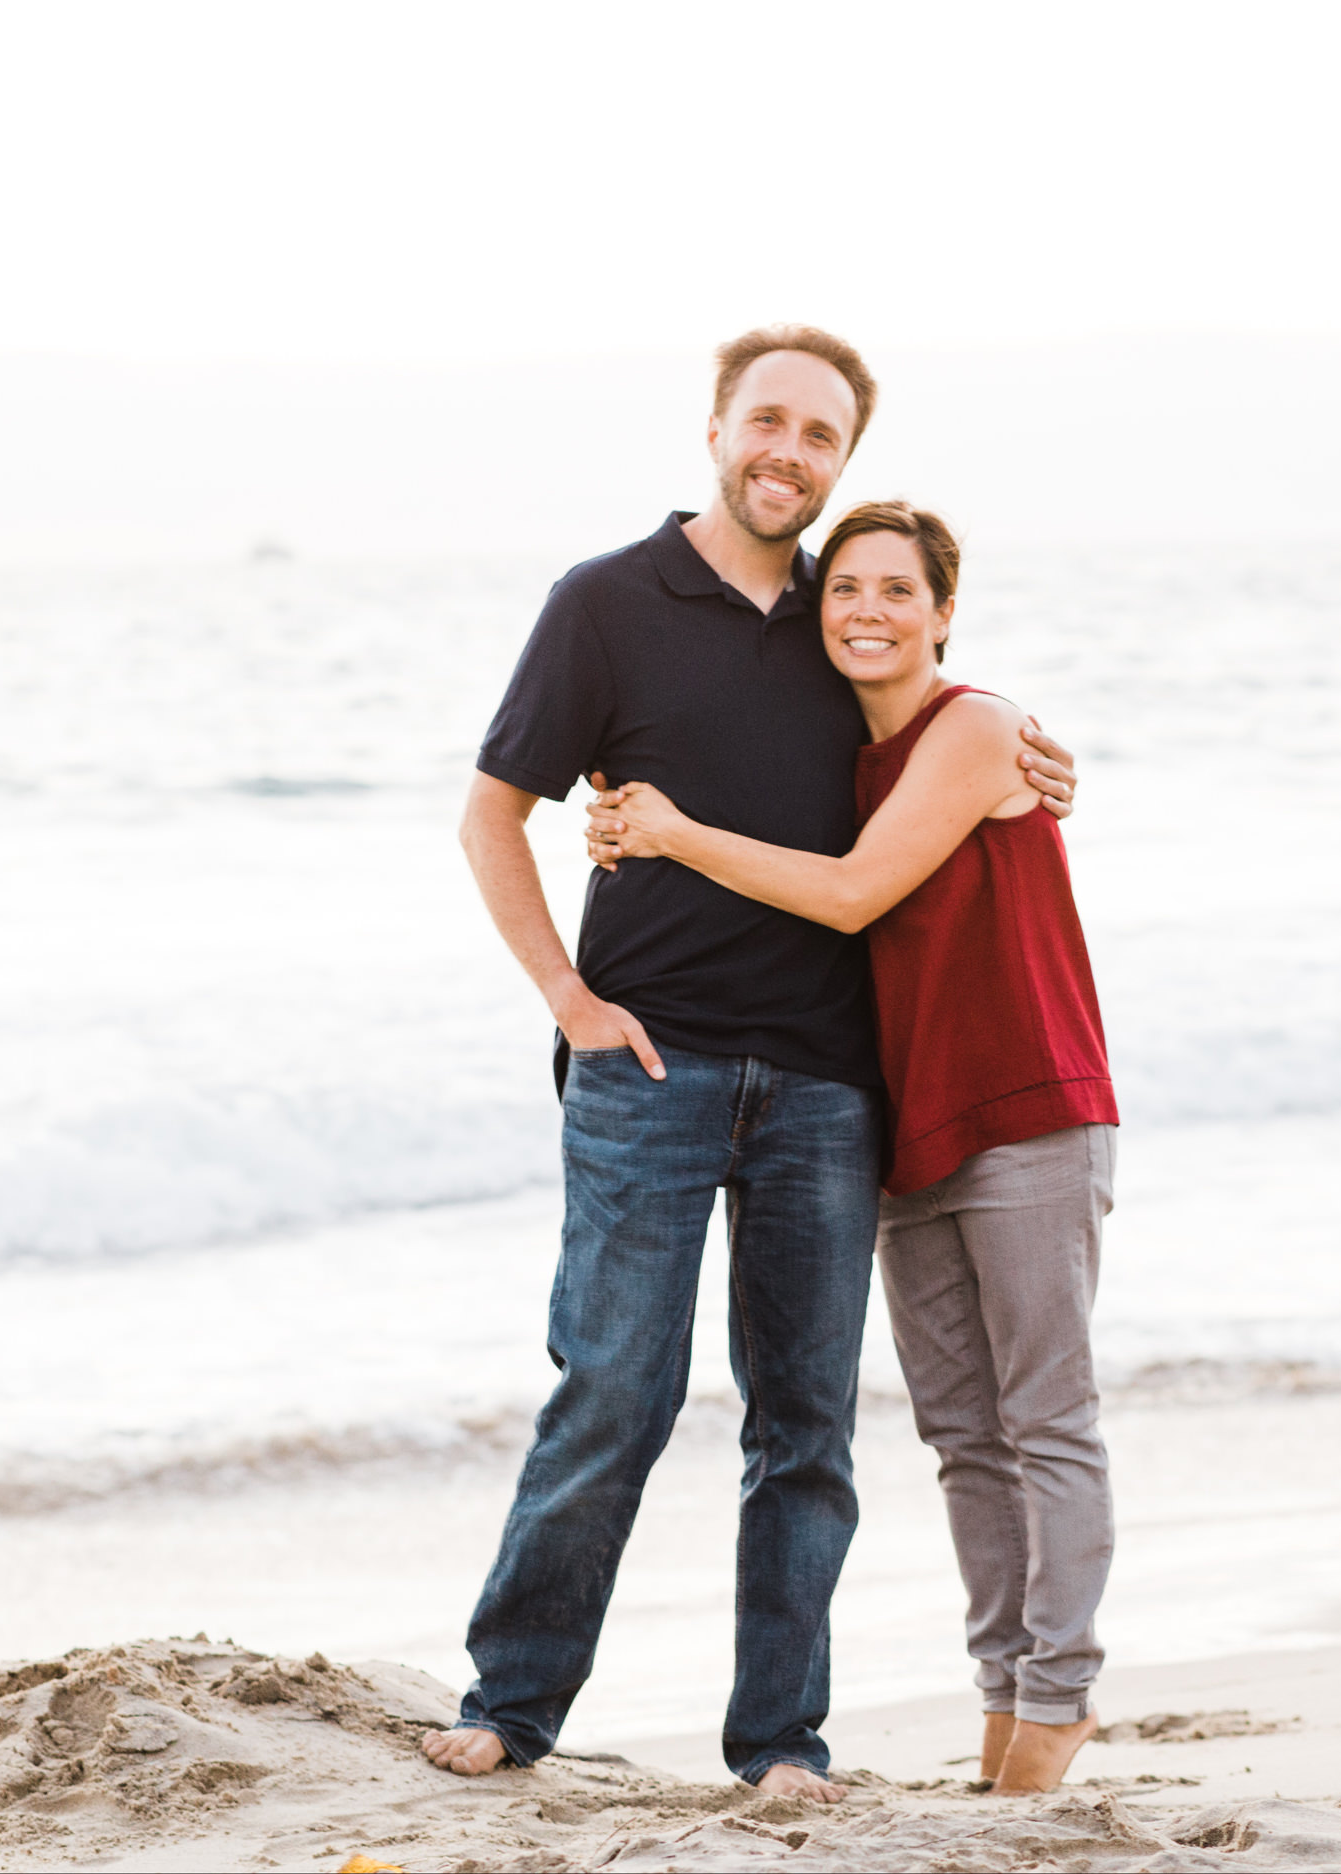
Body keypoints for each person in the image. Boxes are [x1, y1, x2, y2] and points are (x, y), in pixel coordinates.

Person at [419, 329, 1078, 1801]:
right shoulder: (604, 604)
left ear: (843, 460)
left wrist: (1040, 750)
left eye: (820, 435)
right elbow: (489, 813)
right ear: (718, 426)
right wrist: (569, 997)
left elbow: (953, 728)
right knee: (613, 1391)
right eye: (767, 420)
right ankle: (514, 1700)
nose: (789, 451)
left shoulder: (848, 619)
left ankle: (781, 1741)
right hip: (648, 1063)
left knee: (806, 1428)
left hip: (830, 1084)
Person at [587, 499, 1119, 1795]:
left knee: (1045, 1417)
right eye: (848, 591)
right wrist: (622, 817)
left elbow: (851, 893)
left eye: (898, 591)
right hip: (906, 1122)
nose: (869, 611)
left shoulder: (979, 725)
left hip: (1028, 1107)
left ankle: (1058, 1697)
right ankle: (1002, 1696)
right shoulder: (844, 753)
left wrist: (669, 831)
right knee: (962, 1434)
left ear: (945, 614)